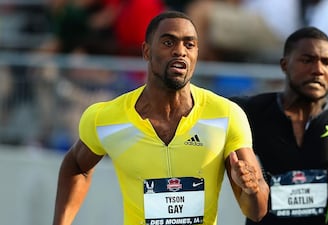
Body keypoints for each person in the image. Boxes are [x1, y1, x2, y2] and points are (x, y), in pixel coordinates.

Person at [51, 11, 269, 225]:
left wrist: (252, 189)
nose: (180, 51)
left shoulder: (226, 115)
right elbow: (77, 166)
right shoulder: (106, 117)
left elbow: (257, 211)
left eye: (189, 44)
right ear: (146, 51)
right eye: (168, 43)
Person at [231, 27, 328, 225]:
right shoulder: (249, 112)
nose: (318, 69)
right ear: (285, 65)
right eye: (307, 60)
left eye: (326, 62)